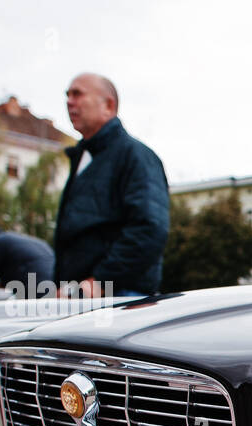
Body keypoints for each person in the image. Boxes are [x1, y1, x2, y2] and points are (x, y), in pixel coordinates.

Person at [54, 73, 169, 298]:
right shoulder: (84, 157)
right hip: (83, 299)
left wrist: (101, 281)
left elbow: (149, 228)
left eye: (77, 94)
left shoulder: (135, 156)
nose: (69, 101)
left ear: (108, 105)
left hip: (120, 300)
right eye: (67, 95)